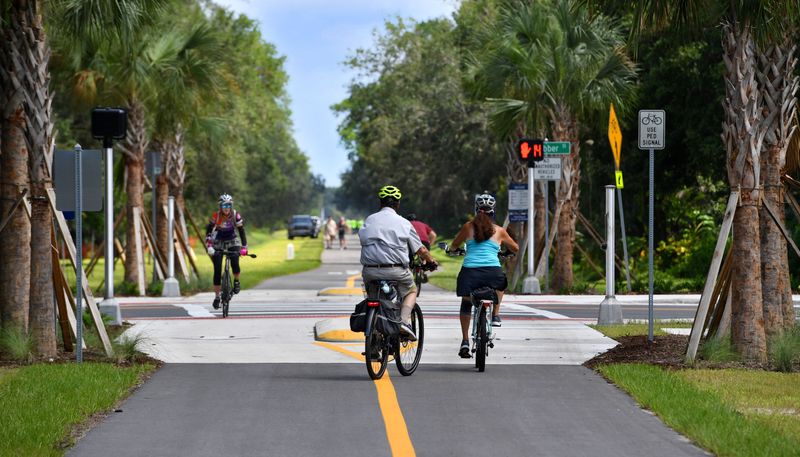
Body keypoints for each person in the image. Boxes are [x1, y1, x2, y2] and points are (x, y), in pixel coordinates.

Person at [359, 185, 437, 340]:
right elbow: (420, 249)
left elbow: (362, 239)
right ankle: (403, 322)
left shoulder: (369, 219)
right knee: (411, 291)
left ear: (380, 202)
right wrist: (431, 261)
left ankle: (374, 338)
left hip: (369, 271)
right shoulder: (404, 223)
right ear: (398, 204)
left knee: (373, 298)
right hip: (395, 271)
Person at [449, 192, 518, 358]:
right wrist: (506, 251)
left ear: (476, 210)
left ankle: (465, 341)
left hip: (470, 273)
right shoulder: (499, 230)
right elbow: (515, 248)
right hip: (492, 272)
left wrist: (455, 250)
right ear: (493, 212)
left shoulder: (468, 227)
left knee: (466, 303)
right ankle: (495, 315)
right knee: (501, 284)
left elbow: (454, 246)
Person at [205, 193, 248, 310]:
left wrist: (244, 247)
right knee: (217, 268)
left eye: (229, 205)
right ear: (220, 206)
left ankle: (236, 281)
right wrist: (209, 246)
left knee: (235, 261)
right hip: (218, 241)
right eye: (224, 205)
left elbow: (241, 231)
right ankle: (217, 297)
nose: (227, 208)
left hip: (232, 240)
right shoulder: (216, 216)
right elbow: (208, 232)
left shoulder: (235, 215)